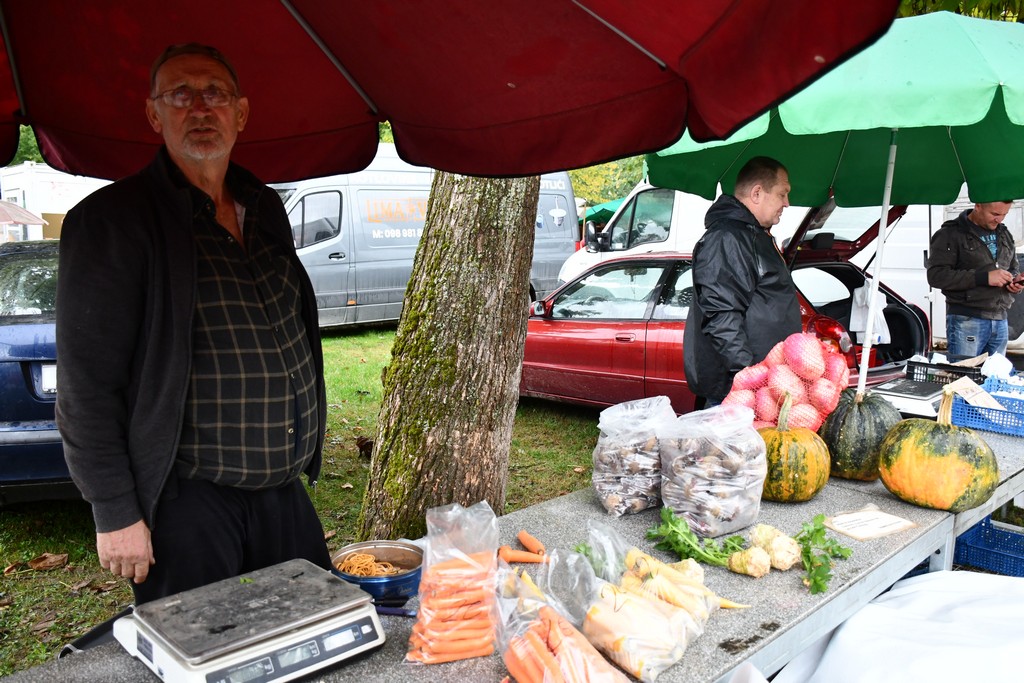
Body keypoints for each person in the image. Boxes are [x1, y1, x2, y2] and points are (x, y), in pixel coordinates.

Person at [55, 43, 332, 604]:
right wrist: (114, 511)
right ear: (155, 114)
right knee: (204, 655)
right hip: (190, 501)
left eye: (216, 94)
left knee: (314, 637)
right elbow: (85, 385)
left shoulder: (265, 205)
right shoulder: (112, 222)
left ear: (242, 112)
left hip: (282, 489)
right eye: (180, 95)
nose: (200, 109)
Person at [683, 156, 801, 407]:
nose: (787, 203)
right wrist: (750, 375)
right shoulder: (728, 238)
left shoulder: (753, 235)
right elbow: (721, 316)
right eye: (783, 194)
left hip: (763, 383)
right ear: (757, 192)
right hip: (740, 391)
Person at [926, 201, 1023, 362]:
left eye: (1004, 214)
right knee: (962, 380)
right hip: (967, 318)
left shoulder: (1004, 233)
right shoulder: (950, 233)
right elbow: (936, 276)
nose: (999, 219)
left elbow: (1012, 268)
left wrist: (1014, 282)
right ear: (978, 206)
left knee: (996, 379)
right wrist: (984, 277)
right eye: (995, 214)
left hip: (1000, 318)